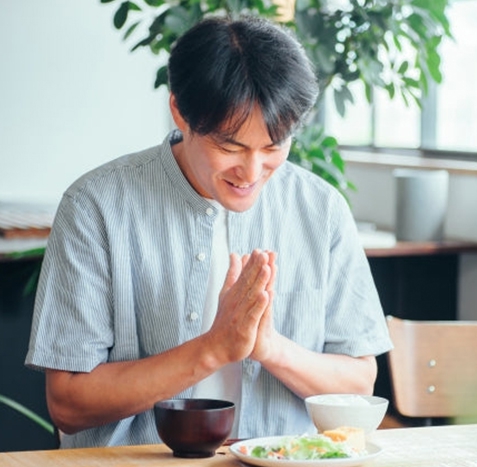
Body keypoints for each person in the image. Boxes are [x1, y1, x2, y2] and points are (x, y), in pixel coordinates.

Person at [25, 15, 392, 448]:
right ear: (179, 110)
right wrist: (214, 348)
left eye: (273, 147)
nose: (252, 172)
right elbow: (69, 403)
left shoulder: (321, 209)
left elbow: (358, 384)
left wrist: (269, 346)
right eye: (230, 147)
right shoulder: (96, 207)